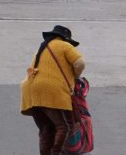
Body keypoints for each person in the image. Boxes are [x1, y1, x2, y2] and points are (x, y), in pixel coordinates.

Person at [21, 25, 86, 155]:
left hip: (30, 91)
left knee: (47, 129)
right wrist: (75, 77)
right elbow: (80, 63)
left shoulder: (41, 49)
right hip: (51, 91)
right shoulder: (64, 45)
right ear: (65, 39)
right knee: (65, 126)